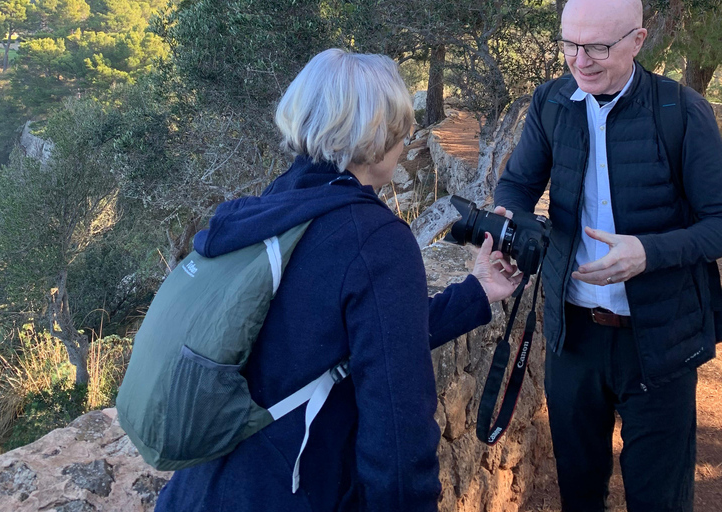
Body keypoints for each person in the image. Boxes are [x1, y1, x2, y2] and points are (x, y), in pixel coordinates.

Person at [154, 48, 522, 512]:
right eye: (401, 131)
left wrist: (477, 292)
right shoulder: (375, 241)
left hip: (201, 488)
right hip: (291, 493)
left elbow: (370, 336)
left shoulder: (269, 209)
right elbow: (398, 424)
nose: (406, 142)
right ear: (377, 136)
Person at [494, 0, 722, 511]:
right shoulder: (551, 102)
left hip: (660, 342)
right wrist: (511, 224)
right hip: (573, 339)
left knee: (658, 499)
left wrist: (649, 252)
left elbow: (719, 223)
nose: (580, 59)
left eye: (597, 46)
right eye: (570, 44)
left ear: (638, 41)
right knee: (579, 492)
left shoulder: (681, 111)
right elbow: (515, 185)